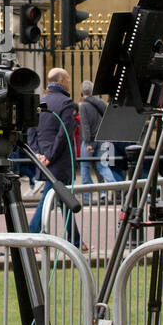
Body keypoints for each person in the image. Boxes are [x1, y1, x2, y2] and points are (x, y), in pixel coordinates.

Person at [27, 68, 82, 246]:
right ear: (61, 80)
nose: (69, 82)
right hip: (58, 161)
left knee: (62, 200)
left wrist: (38, 154)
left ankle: (76, 241)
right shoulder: (66, 103)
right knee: (49, 200)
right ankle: (31, 237)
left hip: (44, 159)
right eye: (67, 78)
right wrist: (49, 156)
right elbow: (64, 134)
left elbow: (31, 131)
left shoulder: (41, 102)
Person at [77, 81, 120, 194]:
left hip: (90, 140)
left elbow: (85, 125)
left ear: (82, 91)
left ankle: (86, 193)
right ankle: (115, 188)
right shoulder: (100, 102)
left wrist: (88, 143)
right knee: (102, 166)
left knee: (85, 166)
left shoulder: (83, 106)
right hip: (101, 138)